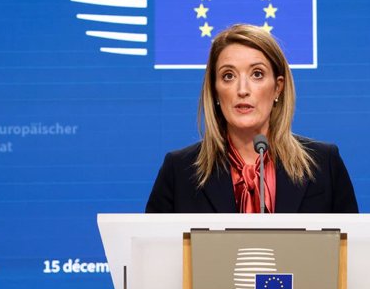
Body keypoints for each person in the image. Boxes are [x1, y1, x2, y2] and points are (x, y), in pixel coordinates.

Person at [146, 24, 358, 213]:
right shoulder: (179, 170)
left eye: (257, 74)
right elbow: (151, 252)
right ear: (215, 91)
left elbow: (352, 251)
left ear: (278, 87)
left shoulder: (324, 164)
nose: (242, 90)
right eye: (228, 76)